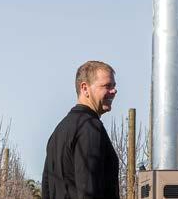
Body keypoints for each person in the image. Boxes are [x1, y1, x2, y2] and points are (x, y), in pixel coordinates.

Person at [42, 60, 120, 199]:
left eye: (114, 86)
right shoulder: (90, 127)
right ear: (85, 88)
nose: (114, 91)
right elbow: (88, 190)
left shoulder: (58, 132)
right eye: (107, 86)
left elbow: (47, 190)